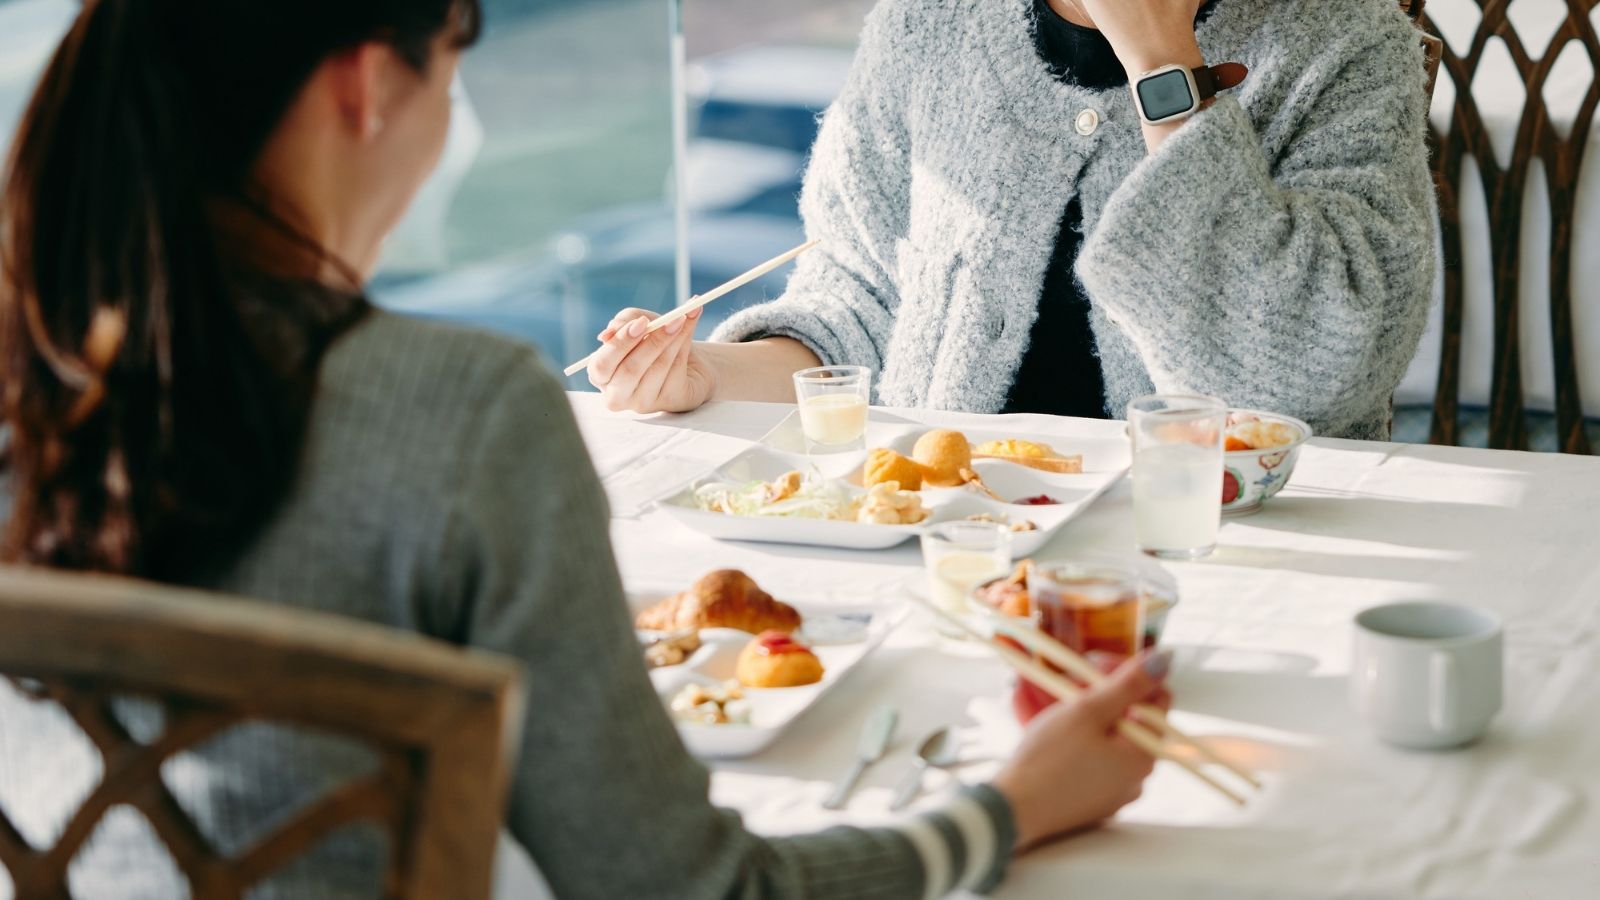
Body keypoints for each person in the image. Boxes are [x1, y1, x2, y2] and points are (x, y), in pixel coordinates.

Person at [0, 2, 1170, 898]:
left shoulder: (31, 382)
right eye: (454, 76)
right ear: (367, 86)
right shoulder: (462, 411)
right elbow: (691, 887)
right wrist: (1008, 809)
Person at [588, 0, 1436, 441]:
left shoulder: (1348, 40)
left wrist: (1162, 67)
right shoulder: (928, 23)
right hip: (949, 553)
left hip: (1232, 569)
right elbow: (856, 304)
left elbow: (1311, 381)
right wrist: (707, 375)